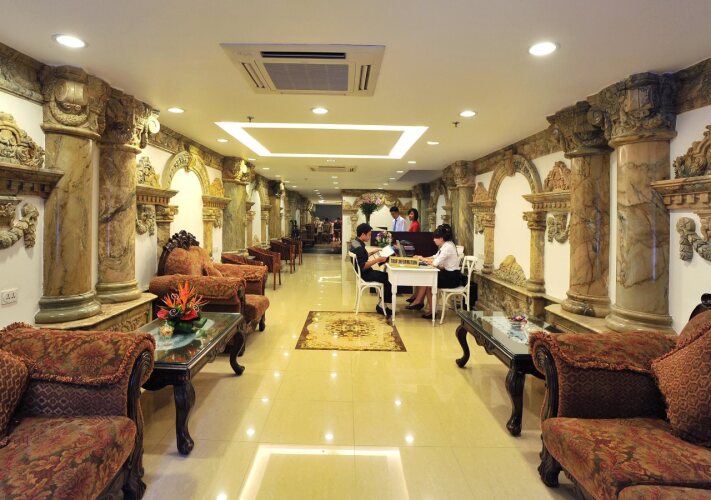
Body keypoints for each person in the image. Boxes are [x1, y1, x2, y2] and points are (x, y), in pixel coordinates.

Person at [405, 224, 460, 319]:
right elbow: (435, 257)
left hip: (452, 277)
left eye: (435, 238)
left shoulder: (448, 247)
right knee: (426, 279)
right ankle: (419, 302)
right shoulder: (446, 245)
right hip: (447, 274)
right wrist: (422, 258)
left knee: (429, 282)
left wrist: (422, 259)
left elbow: (435, 263)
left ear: (441, 238)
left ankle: (430, 309)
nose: (434, 240)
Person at [350, 223, 393, 315]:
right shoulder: (359, 248)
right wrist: (378, 259)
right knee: (387, 278)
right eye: (369, 235)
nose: (370, 237)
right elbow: (363, 266)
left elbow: (361, 257)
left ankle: (382, 304)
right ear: (363, 234)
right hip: (365, 274)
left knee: (385, 276)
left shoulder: (355, 242)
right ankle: (382, 306)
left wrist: (372, 252)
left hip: (363, 273)